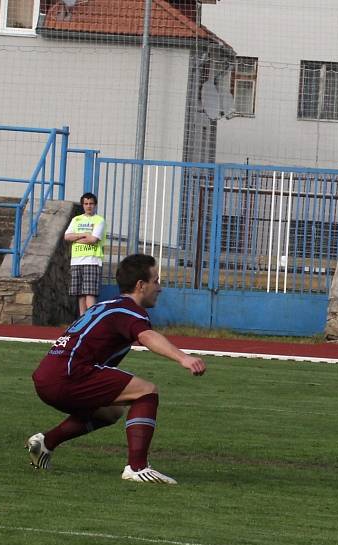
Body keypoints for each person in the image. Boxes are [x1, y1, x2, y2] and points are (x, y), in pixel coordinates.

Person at [27, 253, 206, 484]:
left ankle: (46, 443)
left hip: (48, 377)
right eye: (156, 281)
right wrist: (183, 358)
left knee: (111, 411)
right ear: (141, 285)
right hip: (68, 376)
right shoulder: (128, 310)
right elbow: (147, 336)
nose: (159, 287)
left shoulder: (107, 305)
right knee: (146, 391)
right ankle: (137, 468)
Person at [65, 192, 106, 316]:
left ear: (95, 205)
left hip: (92, 260)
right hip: (76, 260)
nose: (89, 206)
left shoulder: (99, 220)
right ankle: (82, 320)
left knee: (90, 293)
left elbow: (93, 240)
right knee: (80, 294)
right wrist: (83, 235)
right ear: (83, 205)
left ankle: (91, 319)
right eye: (86, 203)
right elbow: (67, 236)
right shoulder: (76, 219)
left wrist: (76, 237)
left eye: (91, 203)